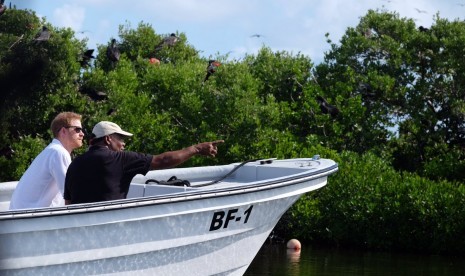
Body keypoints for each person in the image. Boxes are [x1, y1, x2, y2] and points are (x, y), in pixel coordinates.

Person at [64, 121, 223, 204]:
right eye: (121, 139)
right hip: (109, 228)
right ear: (108, 139)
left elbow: (68, 203)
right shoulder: (121, 159)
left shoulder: (74, 164)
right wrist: (196, 149)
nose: (124, 144)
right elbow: (163, 160)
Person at [9, 112, 85, 210]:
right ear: (63, 131)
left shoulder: (52, 151)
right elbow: (70, 195)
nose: (82, 134)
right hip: (33, 219)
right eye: (77, 129)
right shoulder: (58, 152)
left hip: (24, 217)